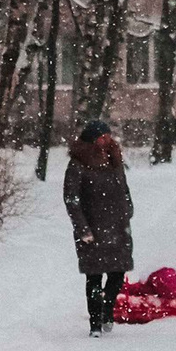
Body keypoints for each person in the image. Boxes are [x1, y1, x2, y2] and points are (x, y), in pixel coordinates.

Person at [61, 121, 134, 336]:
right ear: (93, 139)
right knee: (94, 276)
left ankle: (107, 309)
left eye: (108, 135)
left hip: (118, 227)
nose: (108, 140)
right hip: (92, 229)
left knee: (117, 274)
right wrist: (82, 228)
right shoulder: (78, 164)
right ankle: (95, 324)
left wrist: (127, 209)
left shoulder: (114, 159)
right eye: (103, 136)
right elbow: (71, 199)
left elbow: (124, 187)